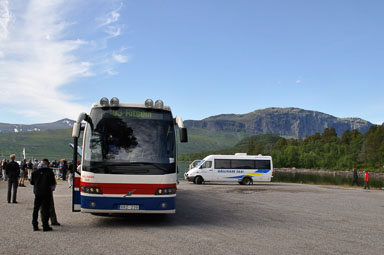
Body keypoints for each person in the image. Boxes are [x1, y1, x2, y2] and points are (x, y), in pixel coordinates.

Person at [30, 159, 56, 231]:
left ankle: (35, 225)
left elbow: (31, 182)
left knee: (36, 209)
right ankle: (45, 225)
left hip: (37, 192)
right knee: (45, 209)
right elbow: (52, 182)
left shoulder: (34, 172)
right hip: (46, 192)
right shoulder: (49, 172)